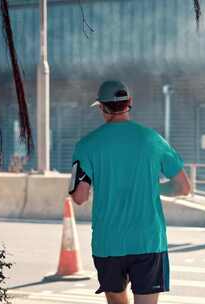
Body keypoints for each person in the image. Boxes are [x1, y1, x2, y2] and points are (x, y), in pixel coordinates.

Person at [69, 80, 191, 304]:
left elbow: (79, 197)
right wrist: (155, 187)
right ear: (129, 103)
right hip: (148, 240)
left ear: (101, 107)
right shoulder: (152, 139)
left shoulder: (86, 145)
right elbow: (184, 188)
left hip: (109, 242)